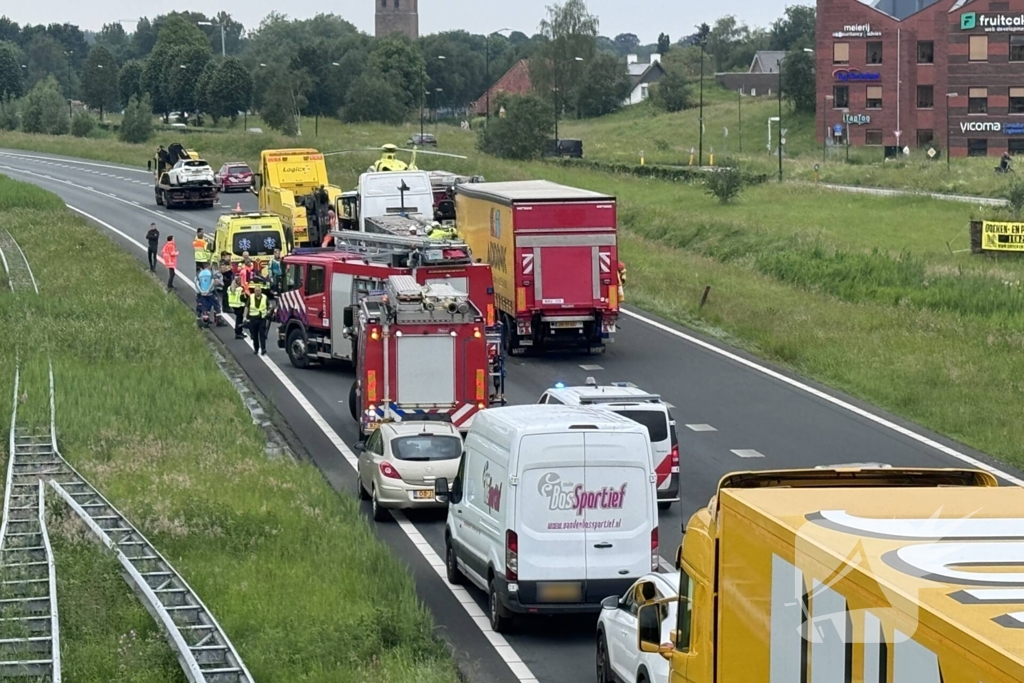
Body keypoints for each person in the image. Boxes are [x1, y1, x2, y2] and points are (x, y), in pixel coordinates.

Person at [245, 282, 269, 355]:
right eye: (256, 291)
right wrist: (245, 317)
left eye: (258, 290)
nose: (257, 292)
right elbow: (247, 307)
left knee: (262, 334)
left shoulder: (265, 297)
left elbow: (269, 306)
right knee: (254, 335)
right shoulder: (251, 297)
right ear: (254, 291)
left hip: (262, 319)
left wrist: (269, 312)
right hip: (253, 319)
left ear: (261, 291)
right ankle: (256, 348)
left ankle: (263, 349)